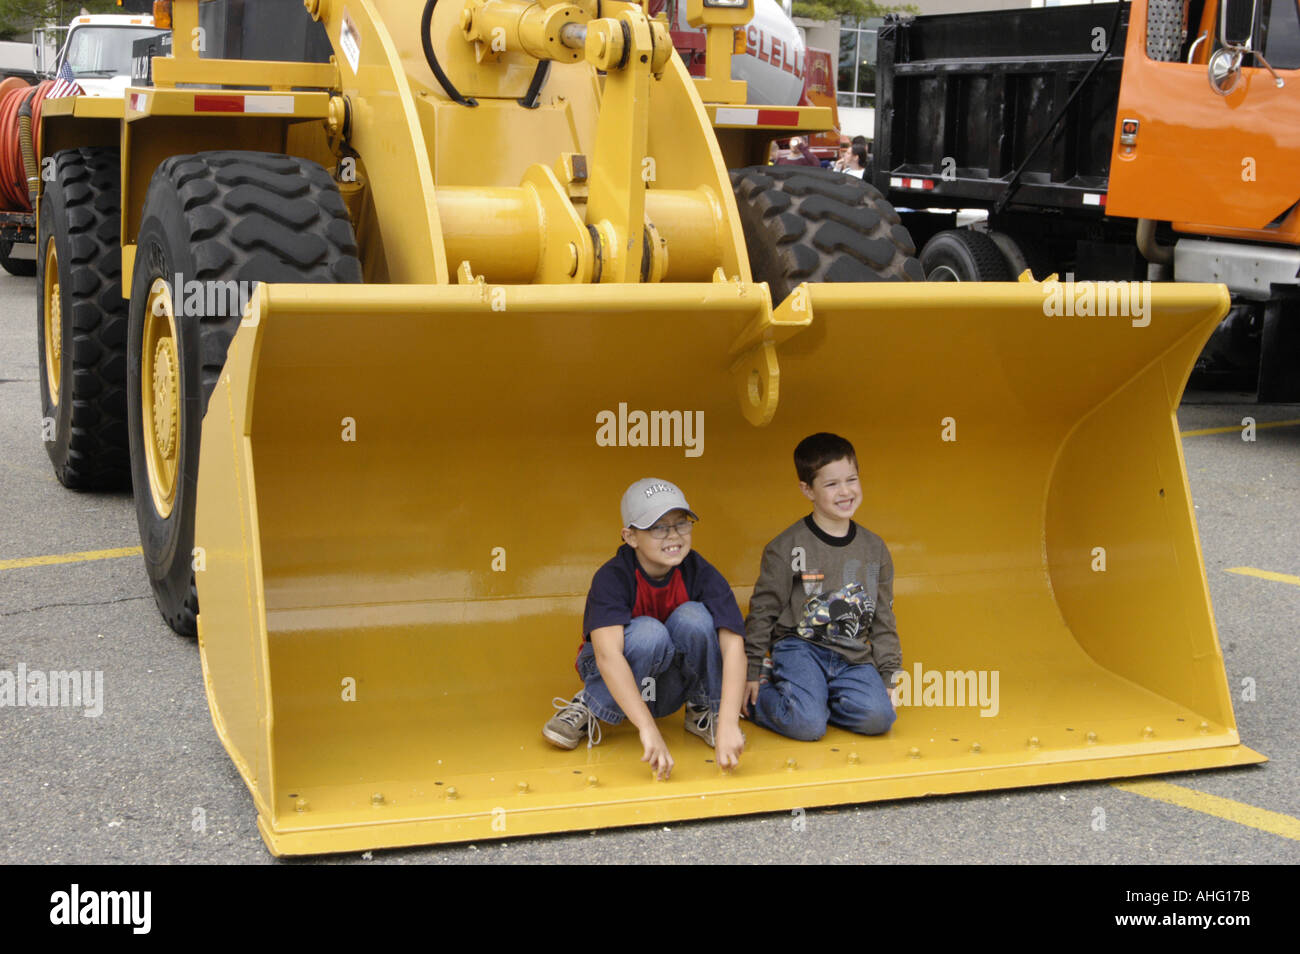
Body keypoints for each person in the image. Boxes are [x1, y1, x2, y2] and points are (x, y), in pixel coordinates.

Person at [543, 478, 748, 779]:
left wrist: (729, 720)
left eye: (681, 524)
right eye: (658, 528)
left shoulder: (699, 570)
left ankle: (704, 710)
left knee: (695, 617)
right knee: (648, 632)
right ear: (630, 536)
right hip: (617, 675)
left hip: (668, 686)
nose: (673, 535)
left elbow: (733, 647)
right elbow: (607, 655)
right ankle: (594, 704)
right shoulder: (612, 576)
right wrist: (648, 729)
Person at [743, 433, 901, 741]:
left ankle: (815, 699)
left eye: (851, 480)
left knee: (880, 718)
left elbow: (883, 616)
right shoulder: (786, 547)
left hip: (852, 655)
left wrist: (889, 676)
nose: (845, 492)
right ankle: (761, 699)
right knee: (808, 726)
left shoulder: (875, 548)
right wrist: (749, 671)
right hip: (800, 649)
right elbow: (763, 611)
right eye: (831, 484)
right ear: (807, 490)